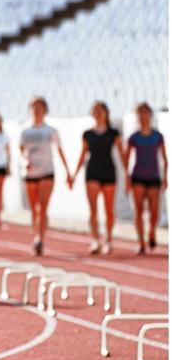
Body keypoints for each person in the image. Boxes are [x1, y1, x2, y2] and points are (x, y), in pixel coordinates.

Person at [69, 102, 127, 255]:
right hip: (92, 173)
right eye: (95, 111)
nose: (98, 113)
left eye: (101, 111)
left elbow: (122, 156)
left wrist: (127, 175)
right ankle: (95, 240)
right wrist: (74, 175)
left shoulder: (114, 133)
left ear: (106, 113)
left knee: (109, 210)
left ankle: (108, 239)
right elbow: (82, 155)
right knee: (93, 210)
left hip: (108, 172)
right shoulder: (87, 134)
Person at [19, 97, 71, 256]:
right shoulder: (25, 131)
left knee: (42, 207)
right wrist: (24, 162)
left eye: (40, 107)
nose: (37, 110)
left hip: (47, 172)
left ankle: (39, 239)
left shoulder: (50, 131)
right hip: (30, 173)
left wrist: (68, 171)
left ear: (45, 109)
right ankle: (36, 233)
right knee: (34, 209)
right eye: (34, 107)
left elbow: (59, 150)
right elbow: (21, 151)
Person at [125, 103, 167, 254]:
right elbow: (126, 158)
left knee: (154, 211)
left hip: (154, 177)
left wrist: (165, 177)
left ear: (150, 114)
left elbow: (164, 157)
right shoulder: (133, 137)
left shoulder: (158, 136)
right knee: (138, 211)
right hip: (137, 177)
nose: (142, 116)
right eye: (139, 113)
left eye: (145, 112)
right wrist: (127, 177)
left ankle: (151, 233)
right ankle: (141, 242)